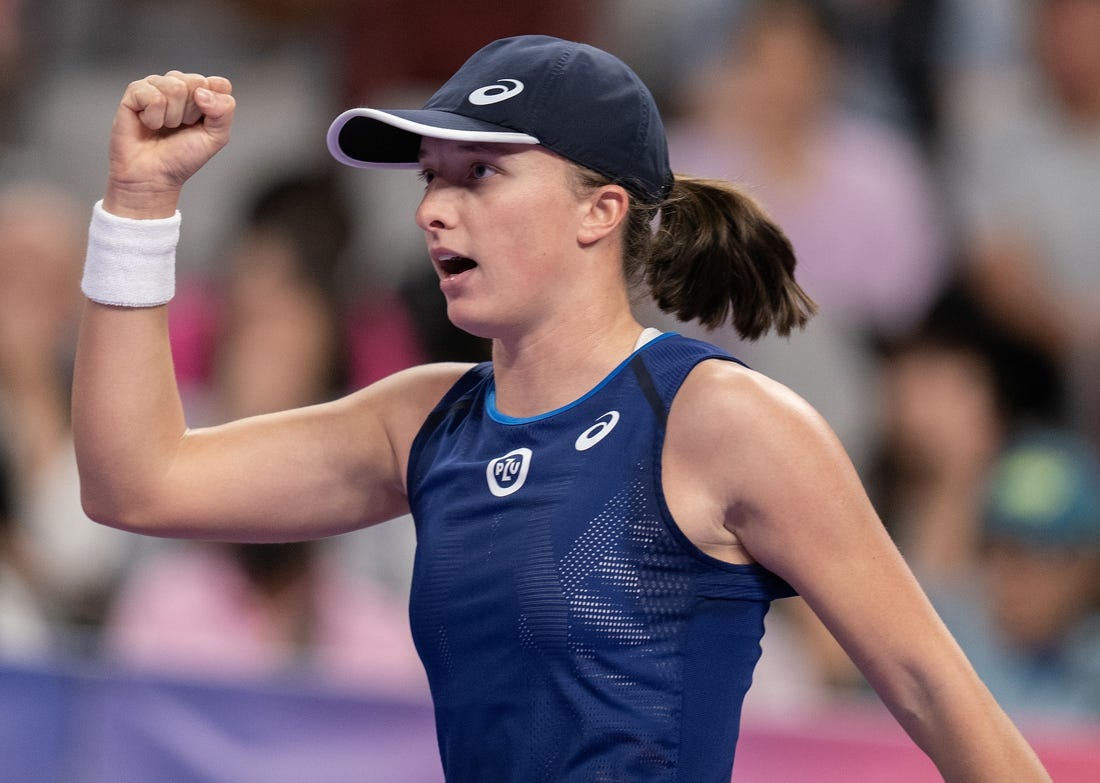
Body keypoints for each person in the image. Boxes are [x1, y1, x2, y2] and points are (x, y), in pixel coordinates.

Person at [72, 35, 1050, 782]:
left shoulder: (723, 421)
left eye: (481, 175)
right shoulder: (423, 420)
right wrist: (137, 201)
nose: (432, 211)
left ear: (600, 209)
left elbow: (932, 690)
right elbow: (136, 483)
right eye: (430, 182)